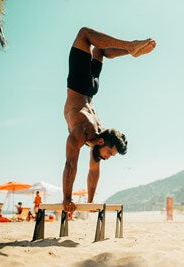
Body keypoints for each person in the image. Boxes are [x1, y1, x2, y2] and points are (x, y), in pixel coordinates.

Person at [63, 27, 156, 212]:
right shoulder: (83, 129)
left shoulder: (96, 137)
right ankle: (130, 47)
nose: (107, 157)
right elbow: (70, 164)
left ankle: (130, 51)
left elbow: (93, 171)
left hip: (90, 89)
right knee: (84, 34)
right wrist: (66, 198)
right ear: (101, 141)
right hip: (80, 85)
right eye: (109, 154)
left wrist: (90, 203)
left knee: (99, 51)